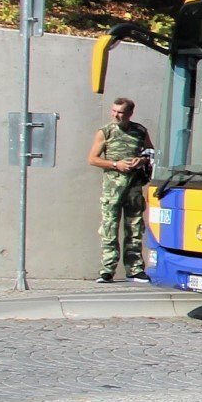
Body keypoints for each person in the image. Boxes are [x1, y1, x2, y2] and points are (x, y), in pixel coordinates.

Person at [87, 97, 152, 283]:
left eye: (120, 112)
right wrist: (116, 164)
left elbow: (151, 153)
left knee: (134, 227)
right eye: (114, 111)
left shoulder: (139, 131)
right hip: (112, 189)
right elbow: (92, 158)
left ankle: (135, 269)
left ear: (130, 113)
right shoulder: (105, 132)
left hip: (134, 188)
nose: (116, 115)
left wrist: (142, 160)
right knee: (109, 228)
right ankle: (107, 270)